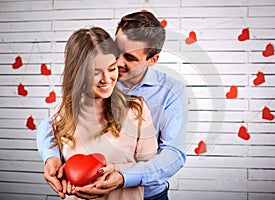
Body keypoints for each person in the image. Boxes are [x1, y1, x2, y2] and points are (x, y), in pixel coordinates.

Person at [36, 11, 188, 200]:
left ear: (152, 60)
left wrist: (124, 178)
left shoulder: (171, 91)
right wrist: (52, 157)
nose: (118, 62)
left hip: (148, 193)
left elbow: (174, 153)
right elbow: (54, 123)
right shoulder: (100, 78)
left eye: (130, 58)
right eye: (118, 51)